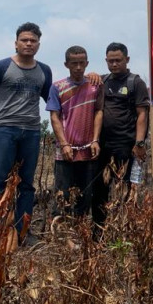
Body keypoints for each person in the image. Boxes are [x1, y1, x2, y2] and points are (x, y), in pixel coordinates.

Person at [0, 22, 53, 240]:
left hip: (32, 131)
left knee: (26, 183)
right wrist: (1, 119)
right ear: (16, 43)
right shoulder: (1, 67)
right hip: (5, 129)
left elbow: (50, 98)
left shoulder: (44, 71)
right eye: (24, 40)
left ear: (38, 45)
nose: (29, 44)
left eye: (33, 41)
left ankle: (22, 231)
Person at [92, 42, 150, 227]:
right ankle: (98, 230)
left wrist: (139, 143)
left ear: (127, 59)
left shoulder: (135, 82)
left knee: (124, 187)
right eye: (110, 61)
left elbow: (142, 114)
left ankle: (124, 228)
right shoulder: (102, 81)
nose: (114, 64)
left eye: (118, 60)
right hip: (103, 144)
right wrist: (89, 75)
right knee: (100, 188)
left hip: (125, 144)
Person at [46, 46, 104, 220]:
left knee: (84, 196)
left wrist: (95, 140)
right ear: (66, 64)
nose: (78, 67)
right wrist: (63, 143)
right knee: (62, 195)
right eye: (74, 63)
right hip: (66, 151)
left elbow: (98, 112)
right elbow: (54, 117)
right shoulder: (57, 87)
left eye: (81, 63)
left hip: (88, 149)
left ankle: (79, 234)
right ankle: (61, 237)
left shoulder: (95, 85)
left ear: (87, 63)